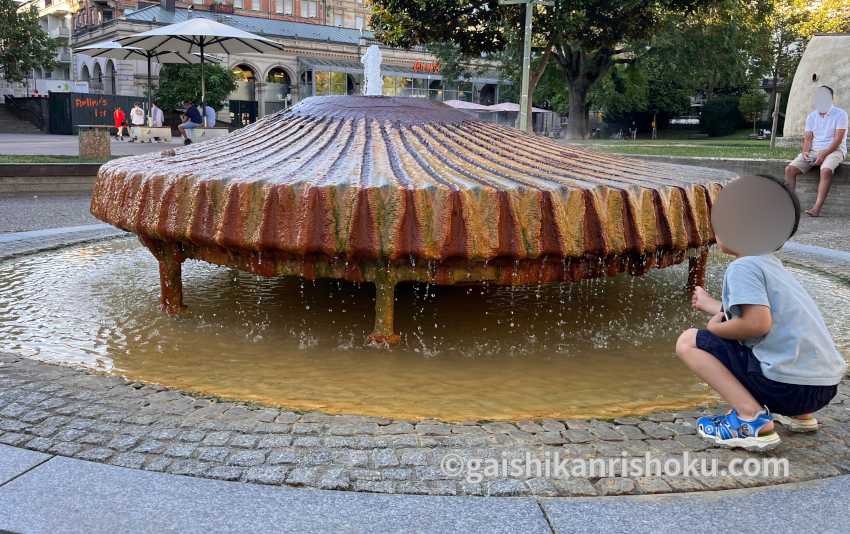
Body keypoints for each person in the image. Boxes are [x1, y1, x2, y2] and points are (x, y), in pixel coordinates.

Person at [676, 176, 846, 452]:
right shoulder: (772, 265)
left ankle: (749, 419)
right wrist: (712, 305)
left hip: (786, 387)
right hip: (822, 388)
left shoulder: (743, 267)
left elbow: (757, 323)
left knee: (688, 341)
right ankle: (800, 416)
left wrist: (716, 328)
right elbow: (768, 313)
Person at [785, 85, 848, 217]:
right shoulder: (811, 116)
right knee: (789, 170)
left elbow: (838, 140)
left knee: (825, 170)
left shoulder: (841, 114)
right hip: (814, 150)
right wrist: (805, 152)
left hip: (835, 150)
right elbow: (808, 139)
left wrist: (823, 154)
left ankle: (816, 208)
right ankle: (790, 205)